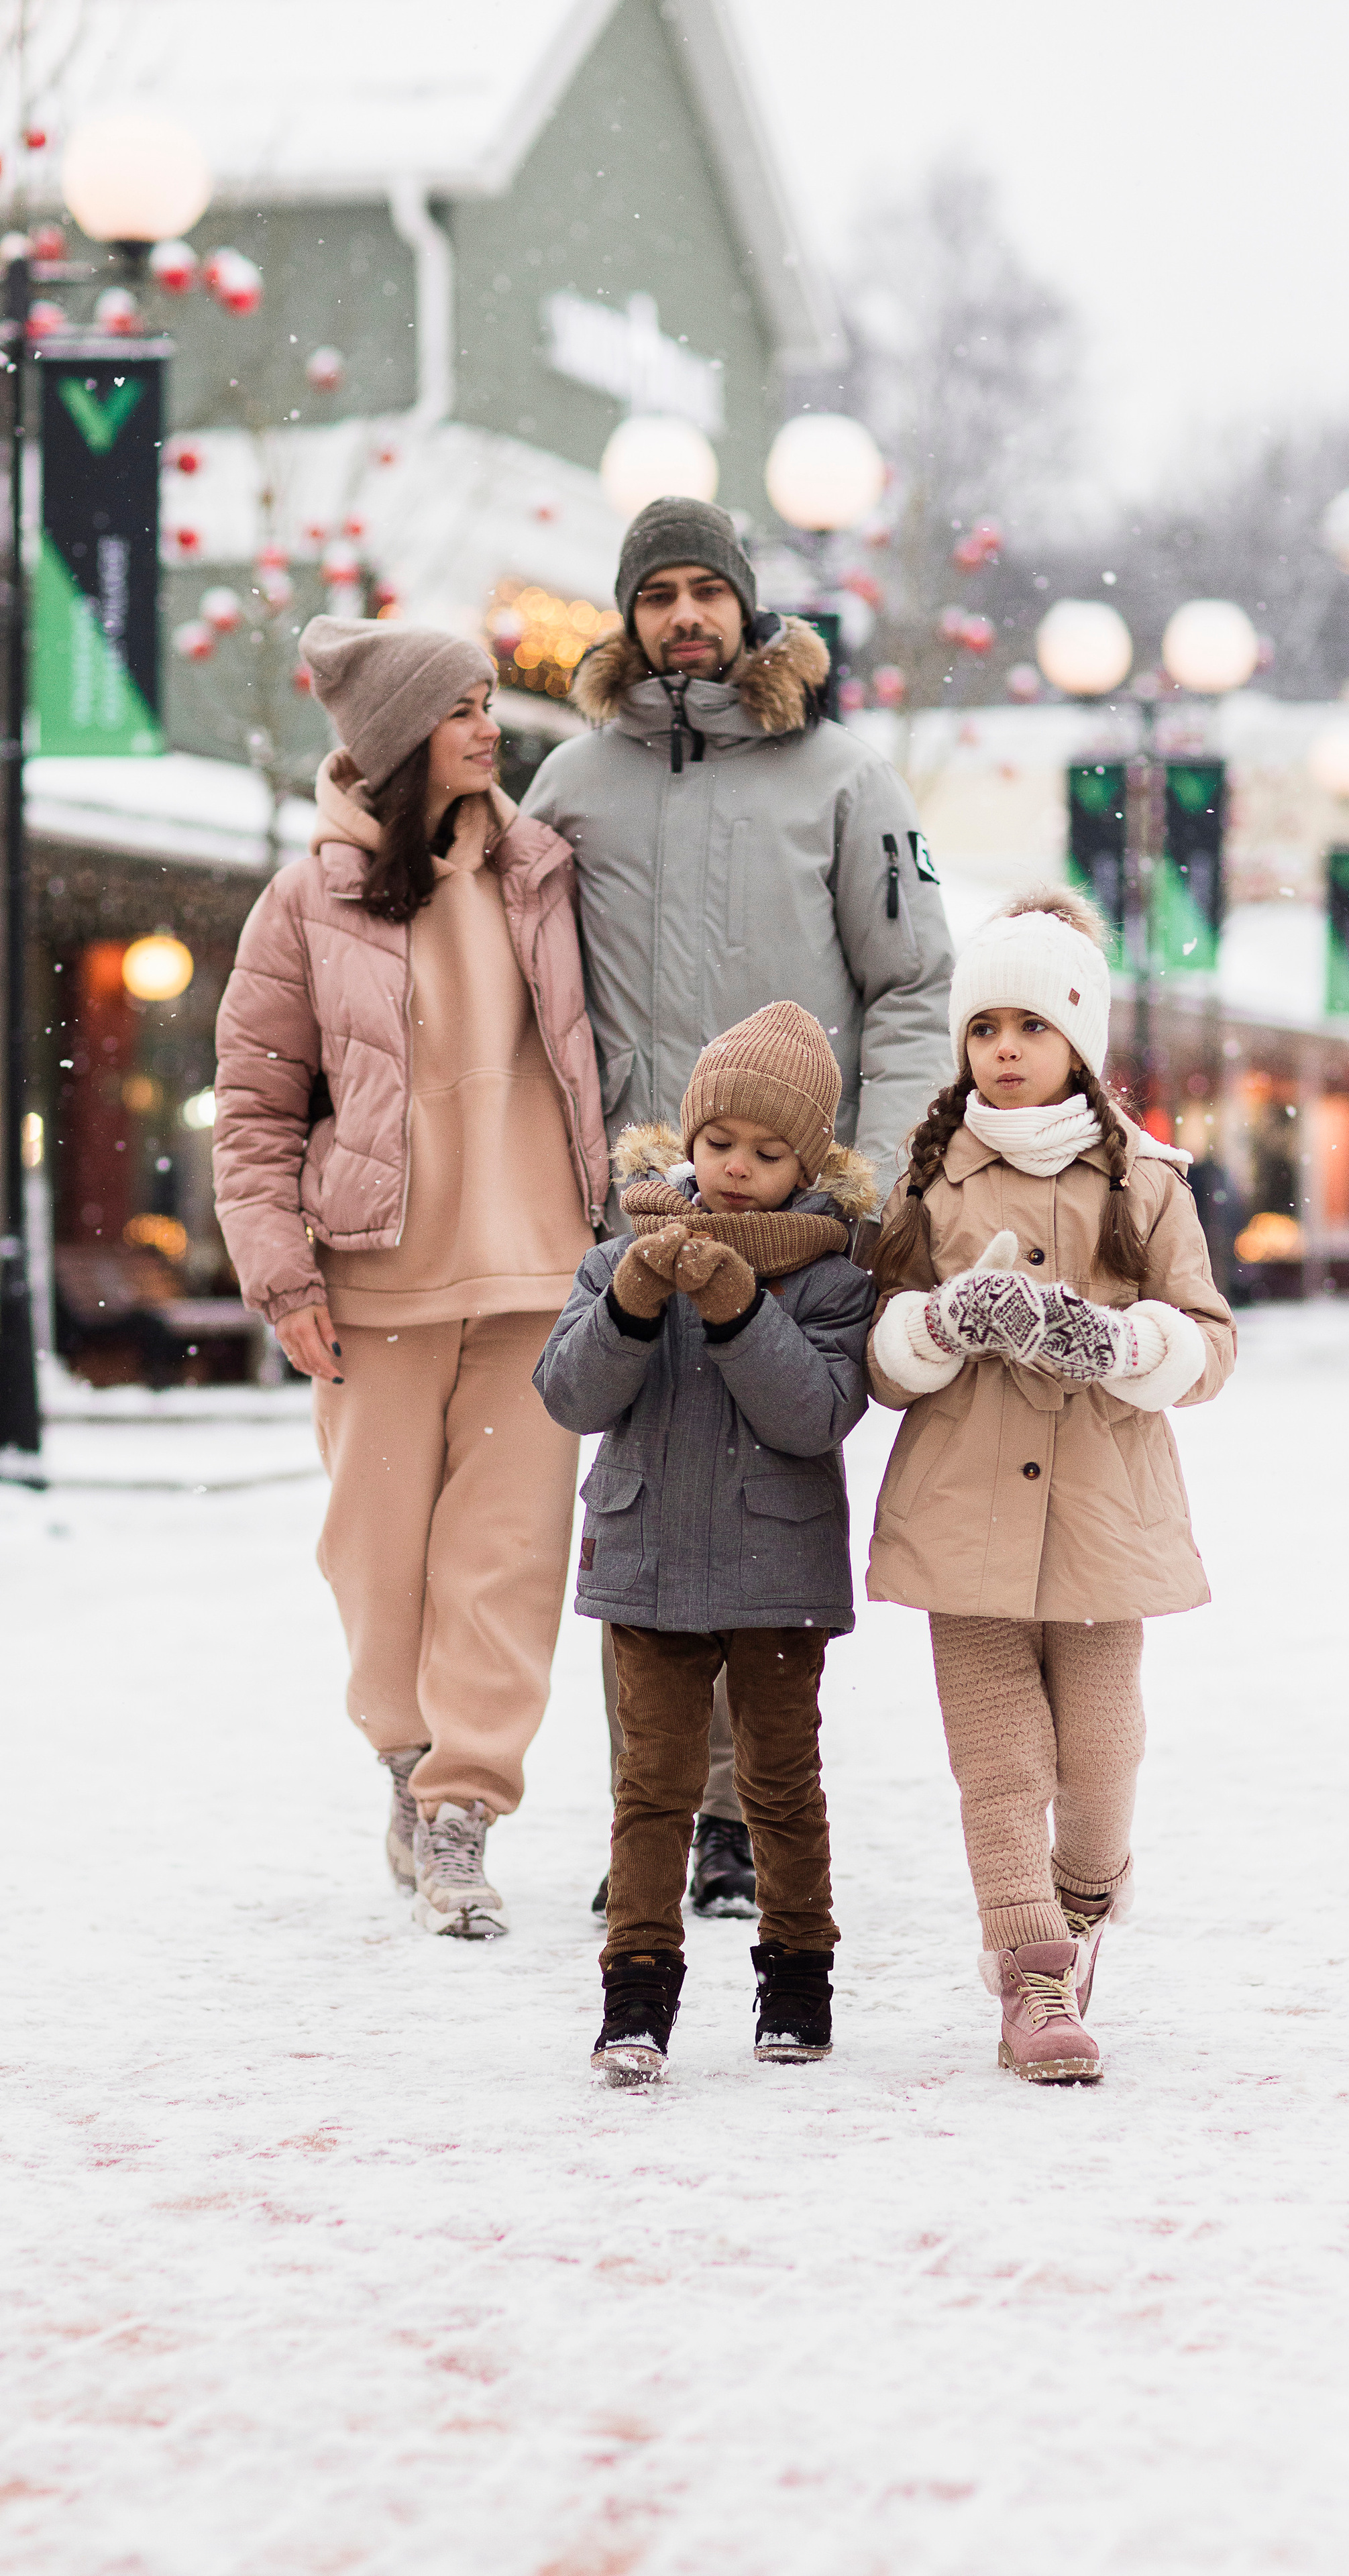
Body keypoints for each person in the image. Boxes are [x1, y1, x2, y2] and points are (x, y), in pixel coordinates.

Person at [525, 495, 952, 1915]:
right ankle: (653, 1817)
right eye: (657, 595)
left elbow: (911, 984)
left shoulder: (842, 777)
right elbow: (521, 982)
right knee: (641, 1503)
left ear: (748, 604)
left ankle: (736, 1820)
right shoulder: (572, 783)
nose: (684, 616)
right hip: (638, 1203)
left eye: (706, 590)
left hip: (793, 1209)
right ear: (628, 617)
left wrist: (878, 1175)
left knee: (764, 1495)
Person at [214, 616, 608, 1939]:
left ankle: (462, 1809)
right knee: (375, 1561)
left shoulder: (541, 870)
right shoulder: (305, 899)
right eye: (461, 708)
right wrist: (281, 1278)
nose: (489, 729)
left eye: (489, 702)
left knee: (505, 1560)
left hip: (537, 1275)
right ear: (397, 738)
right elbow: (256, 1104)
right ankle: (404, 1757)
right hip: (372, 1281)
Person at [863, 891, 1236, 2083]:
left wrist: (1116, 1342)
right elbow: (878, 1354)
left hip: (1103, 1516)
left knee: (1102, 1755)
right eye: (984, 1028)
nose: (1006, 1049)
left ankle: (1083, 1894)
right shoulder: (930, 1180)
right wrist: (938, 1324)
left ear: (1080, 1040)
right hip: (962, 1514)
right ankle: (1032, 1975)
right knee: (1001, 1762)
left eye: (1032, 1025)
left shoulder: (1147, 1183)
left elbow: (1209, 1345)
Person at [533, 1003, 876, 2084]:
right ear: (688, 1140)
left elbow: (815, 1415)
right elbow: (569, 1397)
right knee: (651, 1787)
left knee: (781, 1787)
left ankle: (798, 1981)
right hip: (649, 1566)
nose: (737, 1168)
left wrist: (739, 1311)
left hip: (778, 1575)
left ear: (808, 1166)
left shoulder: (833, 1280)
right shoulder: (620, 1257)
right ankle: (635, 1995)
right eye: (719, 1142)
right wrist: (632, 1305)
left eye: (769, 1154)